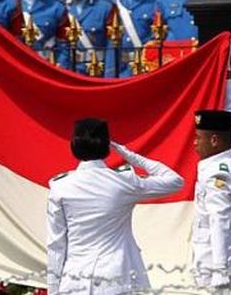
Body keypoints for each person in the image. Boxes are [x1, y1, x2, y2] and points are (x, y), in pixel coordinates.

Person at [47, 118, 184, 294]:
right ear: (106, 146)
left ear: (74, 146)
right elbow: (175, 181)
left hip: (75, 280)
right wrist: (128, 154)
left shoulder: (60, 186)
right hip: (117, 277)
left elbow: (56, 244)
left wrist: (52, 289)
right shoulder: (124, 182)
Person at [192, 110, 231, 292]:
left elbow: (219, 220)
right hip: (226, 257)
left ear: (214, 140)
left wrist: (220, 268)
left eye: (198, 138)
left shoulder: (217, 174)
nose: (194, 143)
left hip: (219, 262)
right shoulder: (221, 164)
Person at [56, 0, 114, 74]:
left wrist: (109, 76)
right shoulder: (59, 7)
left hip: (96, 72)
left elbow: (112, 47)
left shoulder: (105, 7)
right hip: (68, 72)